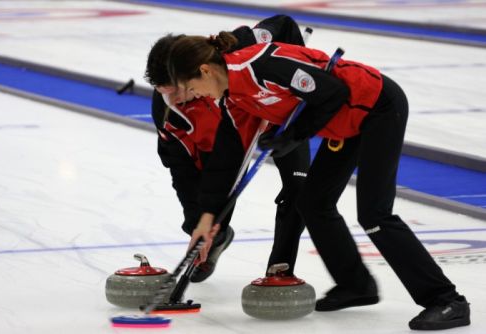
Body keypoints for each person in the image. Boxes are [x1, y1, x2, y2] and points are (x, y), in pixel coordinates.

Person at [166, 33, 471, 330]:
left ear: (205, 70)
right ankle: (356, 286)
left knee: (375, 215)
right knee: (312, 203)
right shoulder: (234, 100)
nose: (196, 95)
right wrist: (207, 218)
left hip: (376, 107)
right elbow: (226, 160)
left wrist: (294, 135)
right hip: (345, 125)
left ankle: (446, 299)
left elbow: (333, 91)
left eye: (191, 87)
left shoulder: (259, 67)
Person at [144, 15, 310, 282]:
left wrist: (296, 88)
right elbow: (183, 171)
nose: (172, 100)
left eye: (176, 91)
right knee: (207, 204)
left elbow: (284, 25)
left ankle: (280, 268)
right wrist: (199, 226)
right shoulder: (166, 108)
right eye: (163, 92)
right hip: (222, 147)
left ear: (196, 70)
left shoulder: (236, 47)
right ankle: (217, 238)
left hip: (278, 123)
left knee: (299, 189)